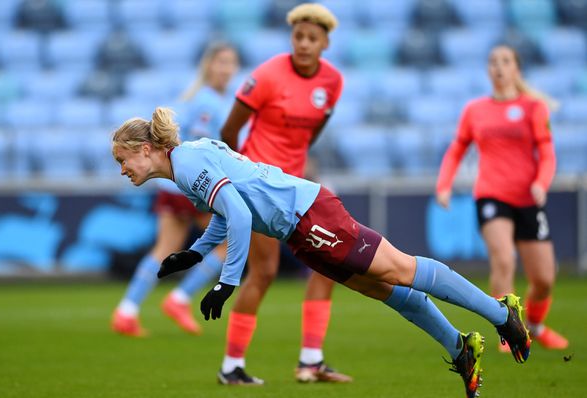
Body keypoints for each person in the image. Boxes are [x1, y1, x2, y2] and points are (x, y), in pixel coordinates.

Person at [110, 107, 532, 398]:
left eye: (121, 159)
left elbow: (238, 216)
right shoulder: (186, 165)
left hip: (310, 214)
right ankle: (460, 348)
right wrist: (198, 253)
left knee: (400, 269)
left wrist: (226, 283)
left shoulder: (186, 164)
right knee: (384, 289)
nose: (122, 169)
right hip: (298, 230)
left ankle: (502, 313)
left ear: (144, 148)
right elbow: (228, 211)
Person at [218, 3, 348, 384]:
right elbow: (229, 130)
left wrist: (298, 163)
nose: (304, 44)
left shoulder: (333, 82)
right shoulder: (267, 76)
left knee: (330, 263)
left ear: (325, 42)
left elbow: (312, 132)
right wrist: (245, 174)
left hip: (296, 188)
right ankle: (231, 367)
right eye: (298, 37)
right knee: (264, 273)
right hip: (259, 185)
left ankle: (310, 361)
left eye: (312, 38)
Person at [435, 45, 568, 351]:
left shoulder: (534, 108)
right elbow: (457, 149)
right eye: (493, 61)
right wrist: (444, 185)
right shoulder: (475, 109)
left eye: (505, 61)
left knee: (545, 278)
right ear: (488, 70)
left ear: (516, 69)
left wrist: (541, 183)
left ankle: (534, 326)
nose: (498, 66)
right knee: (504, 259)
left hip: (528, 198)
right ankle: (508, 332)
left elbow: (547, 153)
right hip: (491, 195)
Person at [111, 43, 240, 337]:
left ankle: (127, 310)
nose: (226, 69)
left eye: (231, 63)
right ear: (208, 66)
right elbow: (197, 145)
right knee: (227, 242)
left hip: (174, 182)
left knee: (164, 248)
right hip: (191, 182)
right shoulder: (208, 102)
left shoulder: (204, 98)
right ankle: (179, 299)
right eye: (220, 62)